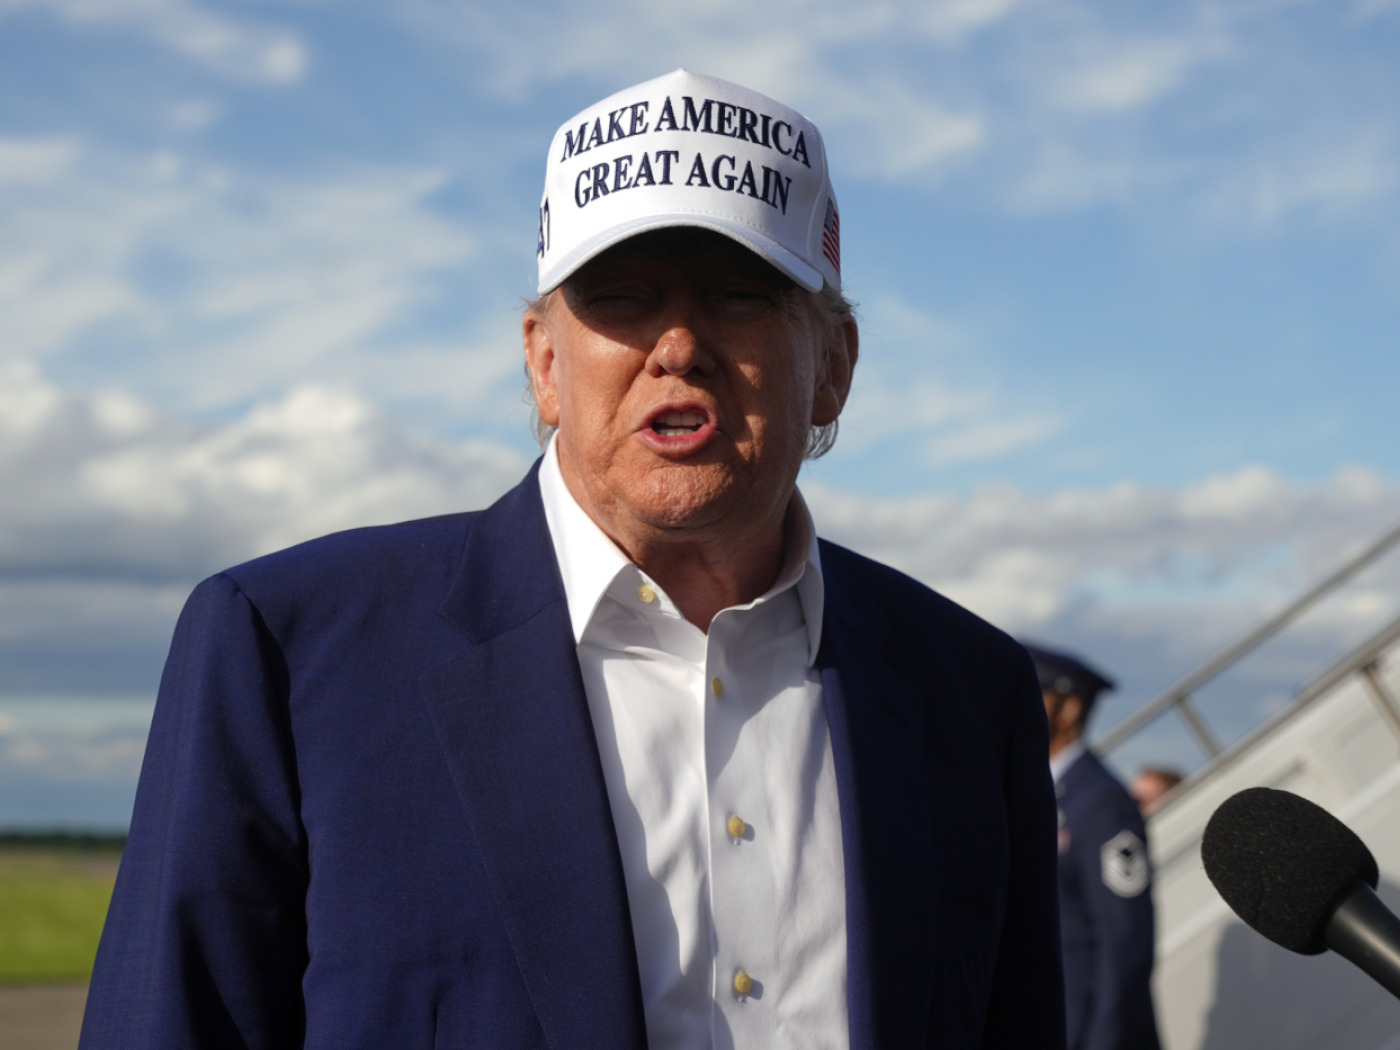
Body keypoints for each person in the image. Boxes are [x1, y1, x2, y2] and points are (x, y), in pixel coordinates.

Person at [81, 69, 1064, 1050]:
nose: (677, 346)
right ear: (545, 362)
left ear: (834, 368)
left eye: (738, 295)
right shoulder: (290, 650)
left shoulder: (971, 693)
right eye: (621, 299)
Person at [1025, 644, 1161, 1050]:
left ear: (1069, 710)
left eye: (1033, 693)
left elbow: (1125, 940)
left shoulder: (1101, 801)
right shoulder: (1042, 793)